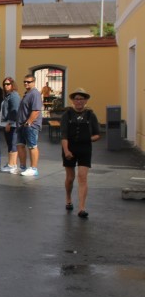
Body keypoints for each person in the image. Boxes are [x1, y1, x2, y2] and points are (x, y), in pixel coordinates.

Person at [60, 88, 100, 218]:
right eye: (76, 99)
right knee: (70, 178)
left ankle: (82, 208)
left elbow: (97, 134)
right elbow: (64, 135)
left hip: (85, 149)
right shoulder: (67, 115)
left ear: (85, 101)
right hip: (70, 148)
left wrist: (88, 139)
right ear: (73, 100)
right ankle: (68, 198)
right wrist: (66, 151)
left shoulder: (90, 115)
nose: (79, 101)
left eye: (81, 99)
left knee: (82, 177)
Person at [0, 77, 21, 173]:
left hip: (12, 125)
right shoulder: (8, 96)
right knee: (10, 144)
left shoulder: (14, 96)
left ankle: (12, 165)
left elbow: (15, 111)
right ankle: (11, 164)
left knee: (13, 144)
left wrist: (10, 123)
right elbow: (6, 109)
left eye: (8, 84)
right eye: (4, 84)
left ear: (12, 85)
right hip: (7, 123)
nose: (6, 86)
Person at [16, 73, 43, 176]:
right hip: (21, 125)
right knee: (20, 146)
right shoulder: (27, 93)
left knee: (32, 146)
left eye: (29, 82)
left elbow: (36, 110)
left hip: (30, 126)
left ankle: (34, 168)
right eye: (25, 82)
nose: (26, 83)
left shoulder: (35, 94)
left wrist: (29, 123)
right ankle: (23, 167)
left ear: (34, 82)